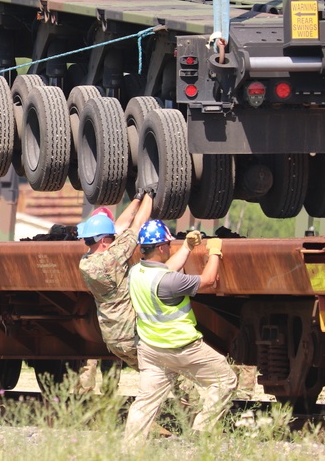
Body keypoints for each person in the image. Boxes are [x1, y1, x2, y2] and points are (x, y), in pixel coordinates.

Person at [123, 221, 237, 443]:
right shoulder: (169, 282)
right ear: (162, 248)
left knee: (146, 402)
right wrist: (214, 252)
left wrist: (187, 246)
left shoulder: (136, 272)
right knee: (224, 380)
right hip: (182, 348)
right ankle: (202, 430)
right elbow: (208, 280)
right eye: (169, 244)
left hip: (151, 351)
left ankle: (130, 450)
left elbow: (166, 269)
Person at [78, 190, 153, 372]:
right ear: (104, 240)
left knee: (151, 376)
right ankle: (186, 399)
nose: (114, 240)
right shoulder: (112, 258)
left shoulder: (85, 262)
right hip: (131, 335)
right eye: (111, 238)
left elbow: (118, 228)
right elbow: (138, 225)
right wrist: (150, 195)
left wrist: (137, 198)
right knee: (161, 373)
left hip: (113, 338)